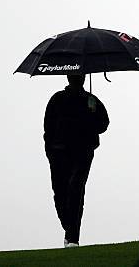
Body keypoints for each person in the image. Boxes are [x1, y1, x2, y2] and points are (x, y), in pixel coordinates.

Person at [43, 74, 109, 247]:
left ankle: (73, 237)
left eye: (81, 75)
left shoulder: (91, 101)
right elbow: (47, 128)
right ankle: (69, 228)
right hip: (59, 153)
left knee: (76, 189)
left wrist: (93, 113)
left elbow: (103, 124)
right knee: (60, 193)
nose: (78, 78)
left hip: (83, 152)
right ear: (68, 77)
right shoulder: (57, 99)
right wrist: (50, 150)